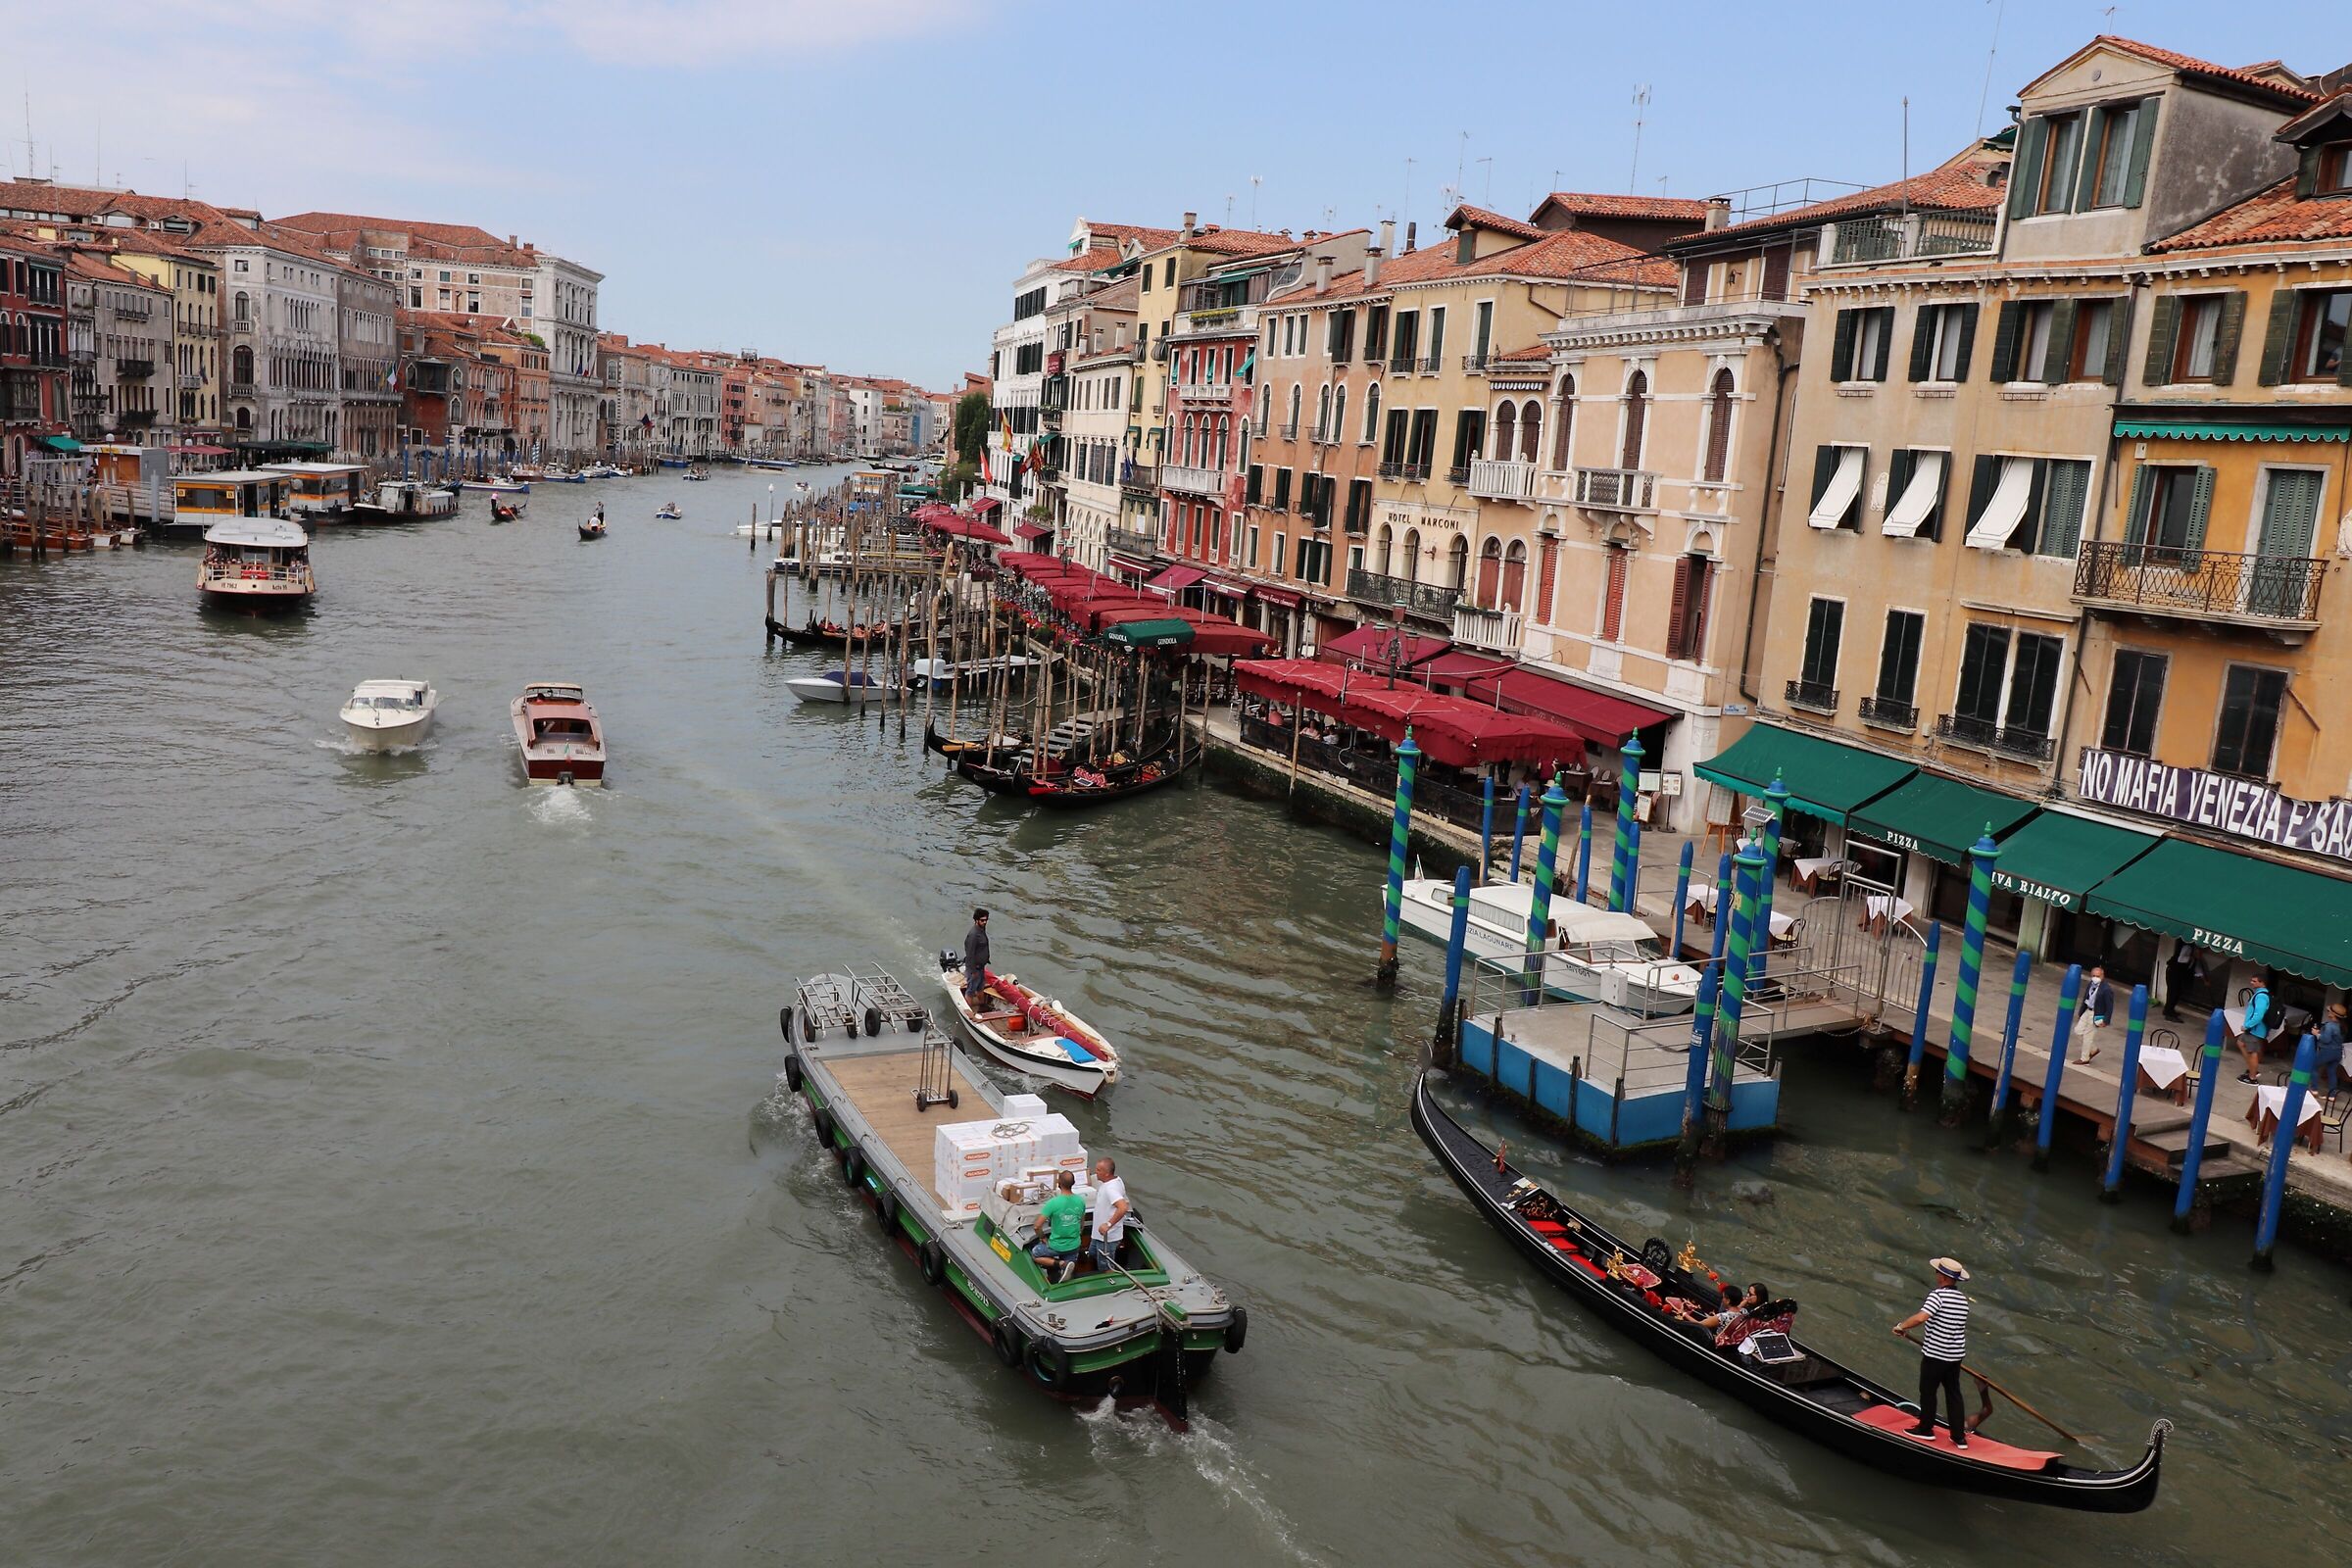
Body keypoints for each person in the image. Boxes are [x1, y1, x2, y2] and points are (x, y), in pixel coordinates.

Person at [1892, 1257, 1972, 1449]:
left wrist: (1901, 1326)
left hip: (1936, 1355)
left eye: (1937, 1272)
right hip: (1955, 1356)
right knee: (1954, 1393)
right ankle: (1958, 1437)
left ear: (1943, 1277)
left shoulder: (1937, 1296)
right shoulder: (1962, 1300)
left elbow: (1921, 1317)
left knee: (1928, 1391)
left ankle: (1926, 1429)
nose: (1935, 1274)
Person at [1028, 1170, 1087, 1284]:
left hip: (1056, 1245)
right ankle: (1068, 1266)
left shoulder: (1053, 1203)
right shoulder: (1080, 1201)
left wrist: (1042, 1237)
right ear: (1073, 1183)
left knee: (1035, 1253)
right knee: (1070, 1261)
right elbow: (1082, 1224)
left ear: (1058, 1184)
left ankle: (1060, 1264)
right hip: (1074, 1245)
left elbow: (1037, 1226)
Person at [1089, 1155, 1129, 1275]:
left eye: (1099, 1170)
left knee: (1105, 1265)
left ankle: (1110, 1278)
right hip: (1098, 1234)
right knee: (1092, 1253)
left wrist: (1108, 1224)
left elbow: (1122, 1207)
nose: (1095, 1172)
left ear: (1107, 1174)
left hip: (1107, 1237)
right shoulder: (1113, 1181)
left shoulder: (1111, 1188)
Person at [2074, 965, 2115, 1064]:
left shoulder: (2106, 989)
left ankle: (2085, 1058)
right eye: (2094, 975)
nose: (2095, 978)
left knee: (2088, 1036)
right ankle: (2093, 1049)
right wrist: (2081, 1012)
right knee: (2078, 1031)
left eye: (2098, 976)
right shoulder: (2091, 984)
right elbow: (2085, 998)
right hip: (2087, 1010)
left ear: (2102, 976)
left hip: (2096, 1014)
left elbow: (2110, 1006)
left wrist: (2106, 1020)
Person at [2237, 974, 2275, 1084]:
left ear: (2262, 983)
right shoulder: (2260, 994)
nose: (2251, 983)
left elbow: (2259, 1015)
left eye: (2254, 981)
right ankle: (2252, 1069)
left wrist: (2247, 1025)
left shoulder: (2261, 996)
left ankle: (2252, 1077)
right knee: (2241, 1043)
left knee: (2252, 1051)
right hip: (2253, 1029)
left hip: (2255, 1029)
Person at [2316, 1002, 2347, 1100]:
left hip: (2327, 1051)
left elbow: (2326, 1039)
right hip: (2338, 1052)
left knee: (2313, 1066)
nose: (2328, 1012)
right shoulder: (2342, 1027)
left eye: (2329, 1011)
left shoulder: (2330, 1026)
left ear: (2333, 1014)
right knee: (2332, 1072)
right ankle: (2332, 1095)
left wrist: (2317, 1034)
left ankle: (2313, 1089)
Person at [2163, 941, 2199, 1023]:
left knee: (2177, 992)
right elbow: (2181, 959)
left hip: (2177, 973)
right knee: (2173, 992)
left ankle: (2169, 1010)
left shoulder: (2192, 949)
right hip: (2173, 971)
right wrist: (2192, 957)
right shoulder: (2188, 947)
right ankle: (2168, 1013)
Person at [962, 908, 991, 1010]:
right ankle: (968, 1010)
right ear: (976, 920)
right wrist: (973, 971)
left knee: (980, 987)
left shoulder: (981, 930)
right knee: (970, 990)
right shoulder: (974, 934)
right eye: (982, 920)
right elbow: (970, 954)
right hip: (974, 968)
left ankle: (982, 1006)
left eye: (986, 920)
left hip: (981, 967)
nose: (984, 922)